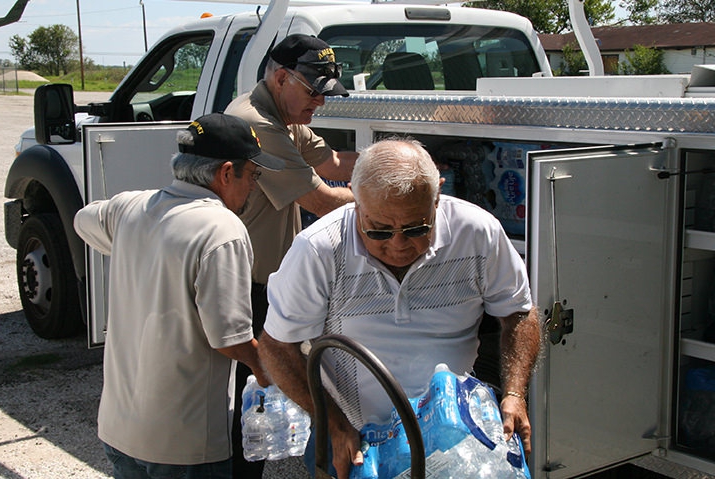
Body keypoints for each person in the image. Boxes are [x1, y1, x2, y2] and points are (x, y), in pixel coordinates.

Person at [257, 138, 542, 479]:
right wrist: (332, 423)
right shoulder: (319, 250)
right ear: (354, 198)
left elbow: (519, 313)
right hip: (356, 439)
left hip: (452, 437)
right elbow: (277, 346)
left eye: (416, 228)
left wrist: (514, 393)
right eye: (378, 229)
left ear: (437, 194)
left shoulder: (478, 233)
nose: (398, 244)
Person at [73, 113, 281, 479]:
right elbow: (230, 341)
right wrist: (274, 374)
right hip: (184, 446)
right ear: (226, 173)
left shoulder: (130, 208)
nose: (253, 186)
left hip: (119, 431)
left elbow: (83, 219)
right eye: (253, 175)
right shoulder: (222, 229)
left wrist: (136, 244)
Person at [225, 33, 358, 476]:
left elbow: (334, 164)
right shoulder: (257, 123)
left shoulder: (284, 116)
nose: (320, 103)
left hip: (268, 281)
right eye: (314, 91)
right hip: (246, 286)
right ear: (281, 78)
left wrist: (398, 155)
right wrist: (396, 193)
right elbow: (319, 198)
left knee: (266, 385)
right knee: (253, 391)